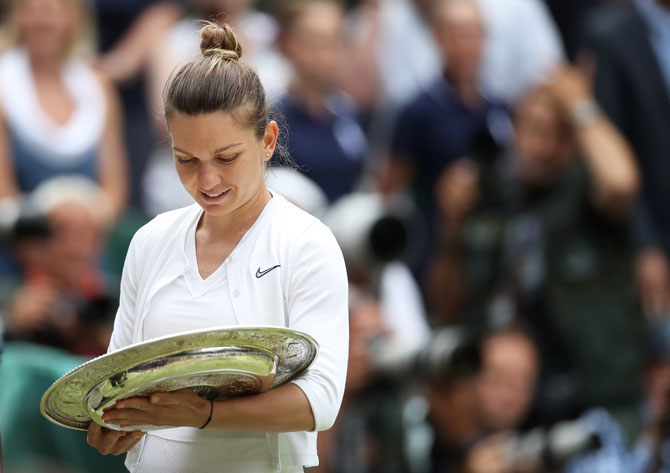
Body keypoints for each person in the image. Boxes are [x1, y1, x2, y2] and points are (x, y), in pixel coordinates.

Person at [85, 23, 349, 473]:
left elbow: (320, 401)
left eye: (226, 158)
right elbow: (117, 385)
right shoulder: (150, 241)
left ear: (266, 141)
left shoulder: (308, 243)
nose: (207, 181)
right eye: (186, 160)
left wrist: (203, 416)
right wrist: (112, 425)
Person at [427, 66, 644, 434]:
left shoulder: (589, 192)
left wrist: (580, 104)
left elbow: (621, 183)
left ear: (576, 141)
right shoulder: (487, 192)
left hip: (590, 400)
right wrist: (450, 228)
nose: (542, 147)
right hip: (500, 405)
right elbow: (445, 306)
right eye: (532, 129)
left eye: (558, 134)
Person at [276, 0, 368, 204]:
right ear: (287, 46)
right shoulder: (270, 119)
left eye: (333, 42)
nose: (323, 55)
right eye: (313, 42)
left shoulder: (348, 112)